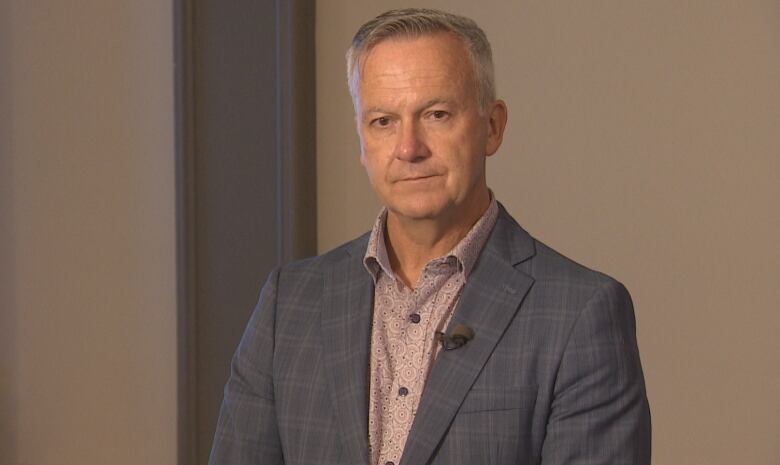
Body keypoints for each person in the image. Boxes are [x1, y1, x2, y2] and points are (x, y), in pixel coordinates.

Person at [209, 8, 651, 465]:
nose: (408, 148)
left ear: (492, 127)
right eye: (383, 121)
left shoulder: (580, 314)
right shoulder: (289, 305)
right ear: (362, 141)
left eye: (437, 114)